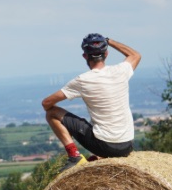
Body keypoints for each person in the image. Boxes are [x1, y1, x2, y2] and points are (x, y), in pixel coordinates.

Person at [42, 33, 141, 172]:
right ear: (106, 54)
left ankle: (75, 156)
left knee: (51, 113)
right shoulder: (121, 71)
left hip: (104, 146)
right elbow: (135, 55)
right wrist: (108, 41)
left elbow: (46, 103)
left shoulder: (82, 80)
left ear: (85, 56)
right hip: (127, 146)